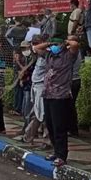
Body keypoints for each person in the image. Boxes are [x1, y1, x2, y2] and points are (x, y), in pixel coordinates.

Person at [34, 36, 79, 167]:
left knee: (59, 127)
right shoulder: (49, 55)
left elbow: (75, 44)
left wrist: (64, 42)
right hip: (48, 94)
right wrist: (49, 43)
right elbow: (36, 48)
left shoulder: (68, 56)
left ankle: (62, 156)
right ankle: (56, 151)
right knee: (50, 126)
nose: (54, 47)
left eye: (57, 45)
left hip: (61, 96)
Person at [22, 35, 47, 144]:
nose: (34, 45)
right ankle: (29, 135)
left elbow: (37, 49)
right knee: (35, 113)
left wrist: (47, 43)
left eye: (37, 42)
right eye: (33, 42)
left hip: (42, 86)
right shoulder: (36, 56)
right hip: (35, 86)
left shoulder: (46, 53)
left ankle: (41, 138)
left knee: (40, 114)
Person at [68, 35, 83, 137]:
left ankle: (73, 129)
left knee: (69, 106)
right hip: (73, 80)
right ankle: (72, 128)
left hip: (73, 81)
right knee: (70, 106)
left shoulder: (74, 52)